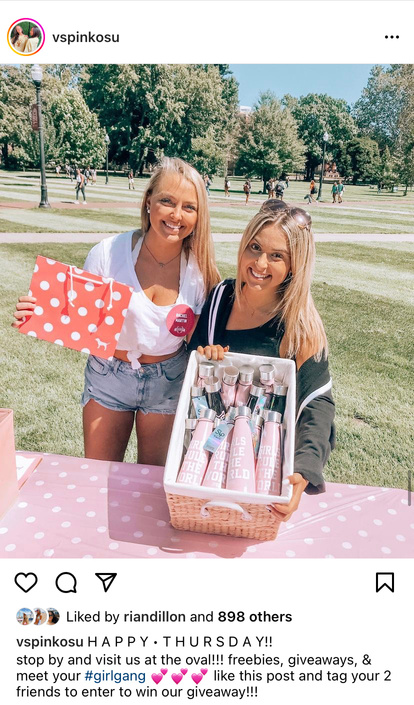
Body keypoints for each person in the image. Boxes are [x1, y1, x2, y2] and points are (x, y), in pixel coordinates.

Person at [13, 158, 220, 466]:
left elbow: (201, 338)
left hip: (169, 380)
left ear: (199, 215)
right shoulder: (108, 253)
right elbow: (76, 316)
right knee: (98, 475)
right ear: (148, 201)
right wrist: (36, 312)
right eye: (167, 201)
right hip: (108, 375)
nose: (177, 215)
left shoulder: (201, 270)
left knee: (152, 483)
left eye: (189, 207)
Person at [188, 199, 335, 523]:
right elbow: (193, 373)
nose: (260, 263)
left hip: (261, 472)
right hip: (204, 460)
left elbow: (318, 405)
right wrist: (206, 360)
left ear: (294, 265)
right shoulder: (219, 299)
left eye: (276, 256)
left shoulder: (301, 327)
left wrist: (304, 469)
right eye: (254, 247)